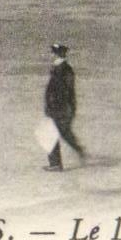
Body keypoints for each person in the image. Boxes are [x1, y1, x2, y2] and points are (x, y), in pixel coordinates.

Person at [44, 44, 85, 172]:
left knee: (51, 133)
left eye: (53, 52)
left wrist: (55, 106)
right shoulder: (59, 67)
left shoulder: (64, 69)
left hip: (60, 108)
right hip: (60, 107)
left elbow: (65, 91)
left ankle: (56, 164)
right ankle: (79, 150)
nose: (51, 54)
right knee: (63, 132)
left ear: (57, 54)